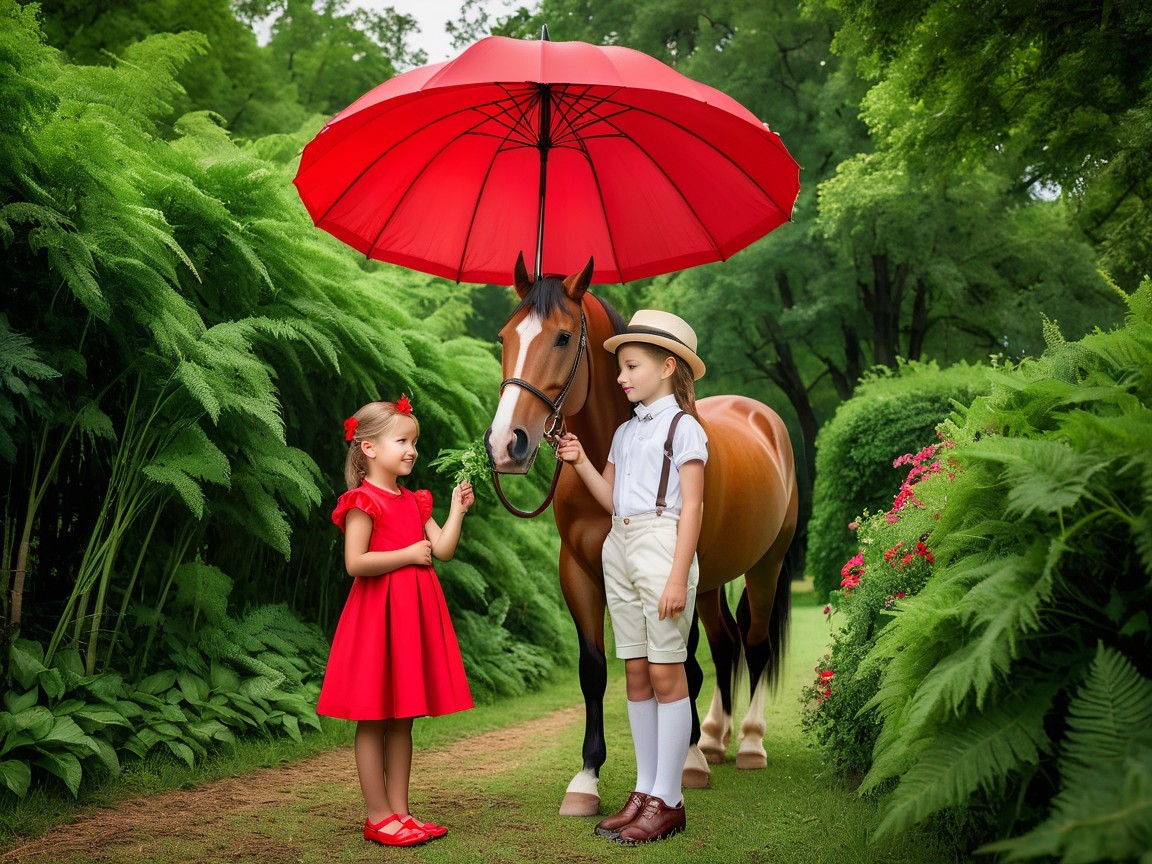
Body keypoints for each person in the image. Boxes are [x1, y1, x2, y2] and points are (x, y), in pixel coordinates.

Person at [554, 310, 708, 845]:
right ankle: (644, 791)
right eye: (620, 367)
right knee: (637, 673)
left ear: (668, 366)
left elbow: (693, 509)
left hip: (662, 545)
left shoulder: (684, 428)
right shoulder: (623, 431)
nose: (621, 376)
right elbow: (612, 499)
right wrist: (578, 462)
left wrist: (675, 575)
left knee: (668, 675)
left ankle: (669, 799)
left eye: (631, 366)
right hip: (620, 544)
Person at [318, 395, 475, 848]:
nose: (411, 450)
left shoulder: (415, 501)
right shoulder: (362, 501)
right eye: (402, 441)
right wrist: (407, 555)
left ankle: (401, 812)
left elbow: (441, 550)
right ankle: (377, 815)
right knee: (373, 718)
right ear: (368, 448)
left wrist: (456, 510)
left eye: (414, 442)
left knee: (403, 717)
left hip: (411, 619)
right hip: (377, 619)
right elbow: (355, 562)